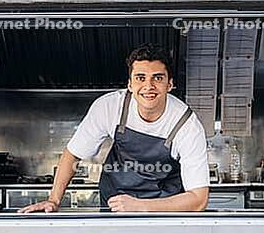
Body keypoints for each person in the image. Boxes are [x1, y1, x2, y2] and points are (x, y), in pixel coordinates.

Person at [19, 43, 209, 212]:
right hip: (115, 204)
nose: (148, 86)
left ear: (170, 84)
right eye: (140, 78)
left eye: (157, 78)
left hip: (165, 210)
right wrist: (53, 200)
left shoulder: (187, 124)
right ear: (130, 84)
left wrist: (141, 206)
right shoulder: (110, 107)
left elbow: (199, 200)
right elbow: (73, 154)